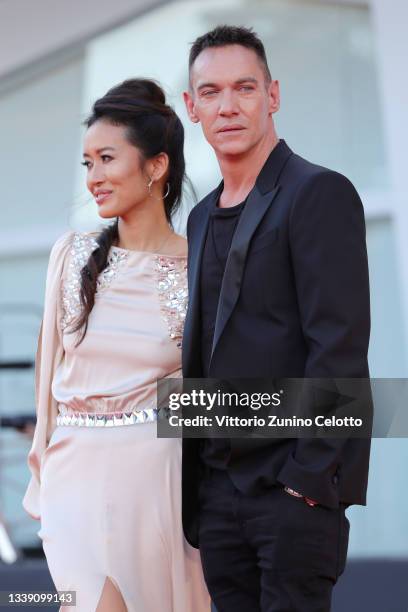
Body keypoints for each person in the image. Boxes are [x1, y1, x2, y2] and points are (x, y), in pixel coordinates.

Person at [182, 25, 371, 612]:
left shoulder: (317, 193)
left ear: (274, 95)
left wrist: (307, 483)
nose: (228, 106)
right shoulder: (198, 219)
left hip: (292, 496)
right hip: (217, 499)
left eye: (244, 87)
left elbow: (338, 352)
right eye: (210, 92)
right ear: (191, 108)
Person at [23, 78, 210, 612]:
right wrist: (46, 469)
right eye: (87, 164)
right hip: (73, 477)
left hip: (156, 480)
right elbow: (47, 383)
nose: (94, 178)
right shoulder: (71, 256)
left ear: (156, 167)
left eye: (106, 158)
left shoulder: (202, 264)